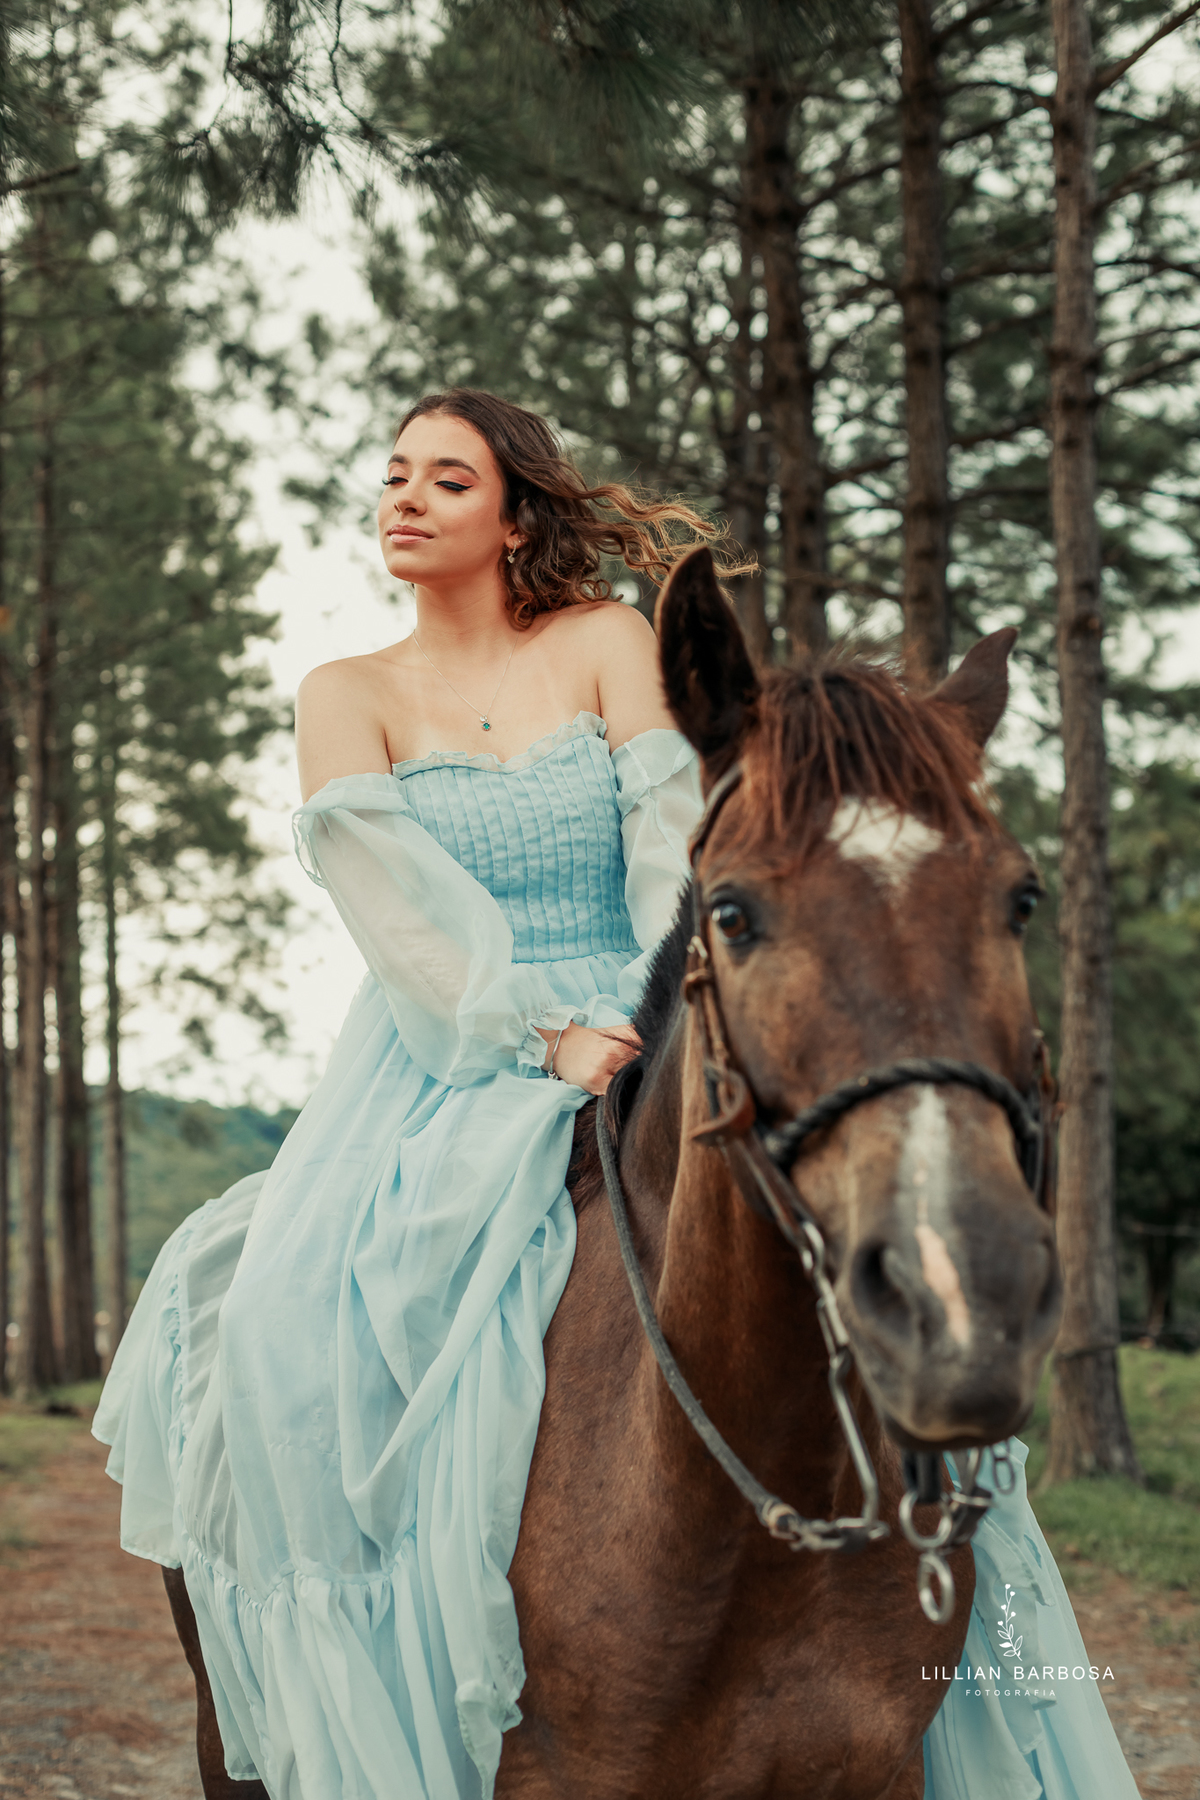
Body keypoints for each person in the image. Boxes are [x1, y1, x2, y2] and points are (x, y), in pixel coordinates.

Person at [94, 388, 1138, 1800]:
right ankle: (352, 1686)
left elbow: (677, 843)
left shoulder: (601, 643)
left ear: (515, 515)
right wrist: (538, 1035)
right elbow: (393, 914)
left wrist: (659, 1009)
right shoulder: (346, 693)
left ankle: (938, 1563)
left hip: (659, 1010)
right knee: (288, 1323)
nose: (402, 496)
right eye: (395, 474)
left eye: (445, 479)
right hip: (446, 1045)